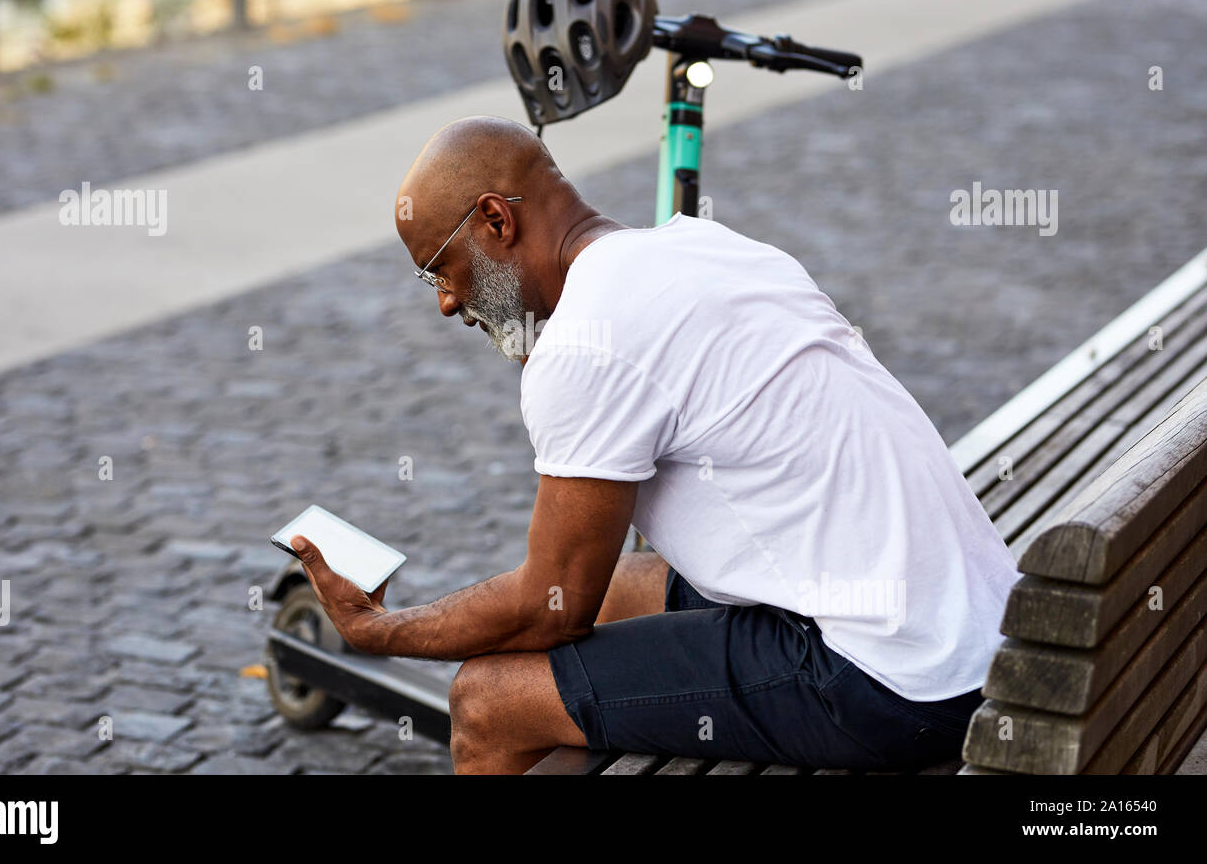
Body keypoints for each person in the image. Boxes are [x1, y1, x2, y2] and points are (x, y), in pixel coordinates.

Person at [292, 114, 1021, 774]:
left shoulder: (585, 343)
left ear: (493, 220)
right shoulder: (701, 247)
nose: (448, 302)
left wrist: (381, 629)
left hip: (890, 682)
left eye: (439, 271)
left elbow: (551, 610)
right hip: (973, 632)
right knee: (623, 587)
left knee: (486, 702)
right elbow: (579, 589)